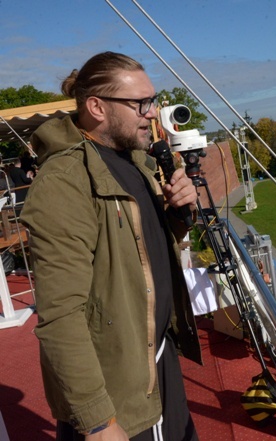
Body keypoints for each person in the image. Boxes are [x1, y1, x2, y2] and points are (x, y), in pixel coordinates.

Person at [21, 52, 202, 440]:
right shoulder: (65, 181)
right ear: (97, 107)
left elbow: (141, 251)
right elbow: (60, 316)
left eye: (152, 101)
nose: (152, 114)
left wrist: (178, 214)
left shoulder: (135, 161)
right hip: (118, 392)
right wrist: (99, 421)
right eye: (141, 103)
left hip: (155, 361)